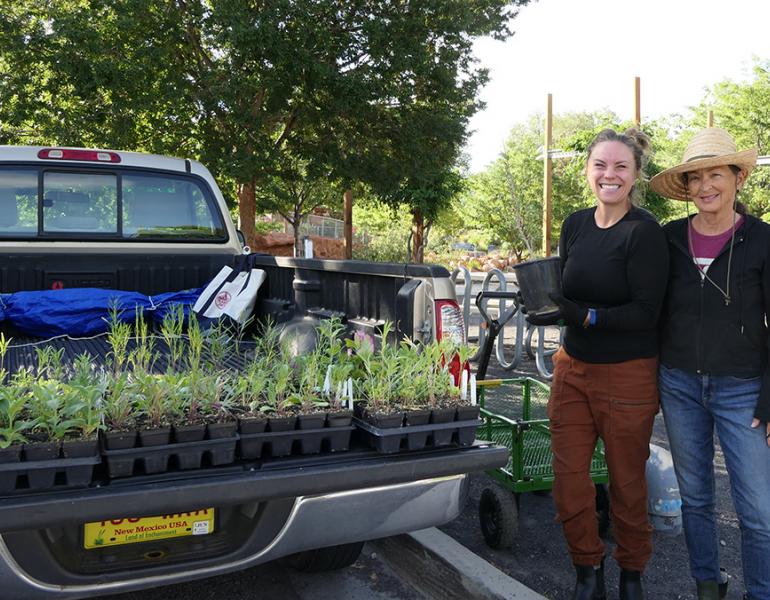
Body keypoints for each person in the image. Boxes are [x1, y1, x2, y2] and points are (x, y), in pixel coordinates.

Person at [525, 128, 669, 600]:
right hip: (573, 368)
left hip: (627, 373)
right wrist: (553, 309)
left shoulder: (644, 232)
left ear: (635, 175)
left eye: (620, 167)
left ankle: (631, 572)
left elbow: (647, 312)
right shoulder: (575, 224)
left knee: (627, 482)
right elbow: (566, 292)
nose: (610, 174)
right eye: (601, 165)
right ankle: (588, 569)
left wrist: (586, 316)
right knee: (568, 481)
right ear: (587, 170)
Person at [650, 127, 770, 600]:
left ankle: (759, 593)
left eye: (715, 174)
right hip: (679, 384)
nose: (705, 187)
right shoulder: (669, 240)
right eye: (696, 177)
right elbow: (649, 309)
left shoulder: (762, 240)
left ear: (737, 177)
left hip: (743, 389)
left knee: (758, 509)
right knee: (696, 498)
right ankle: (707, 587)